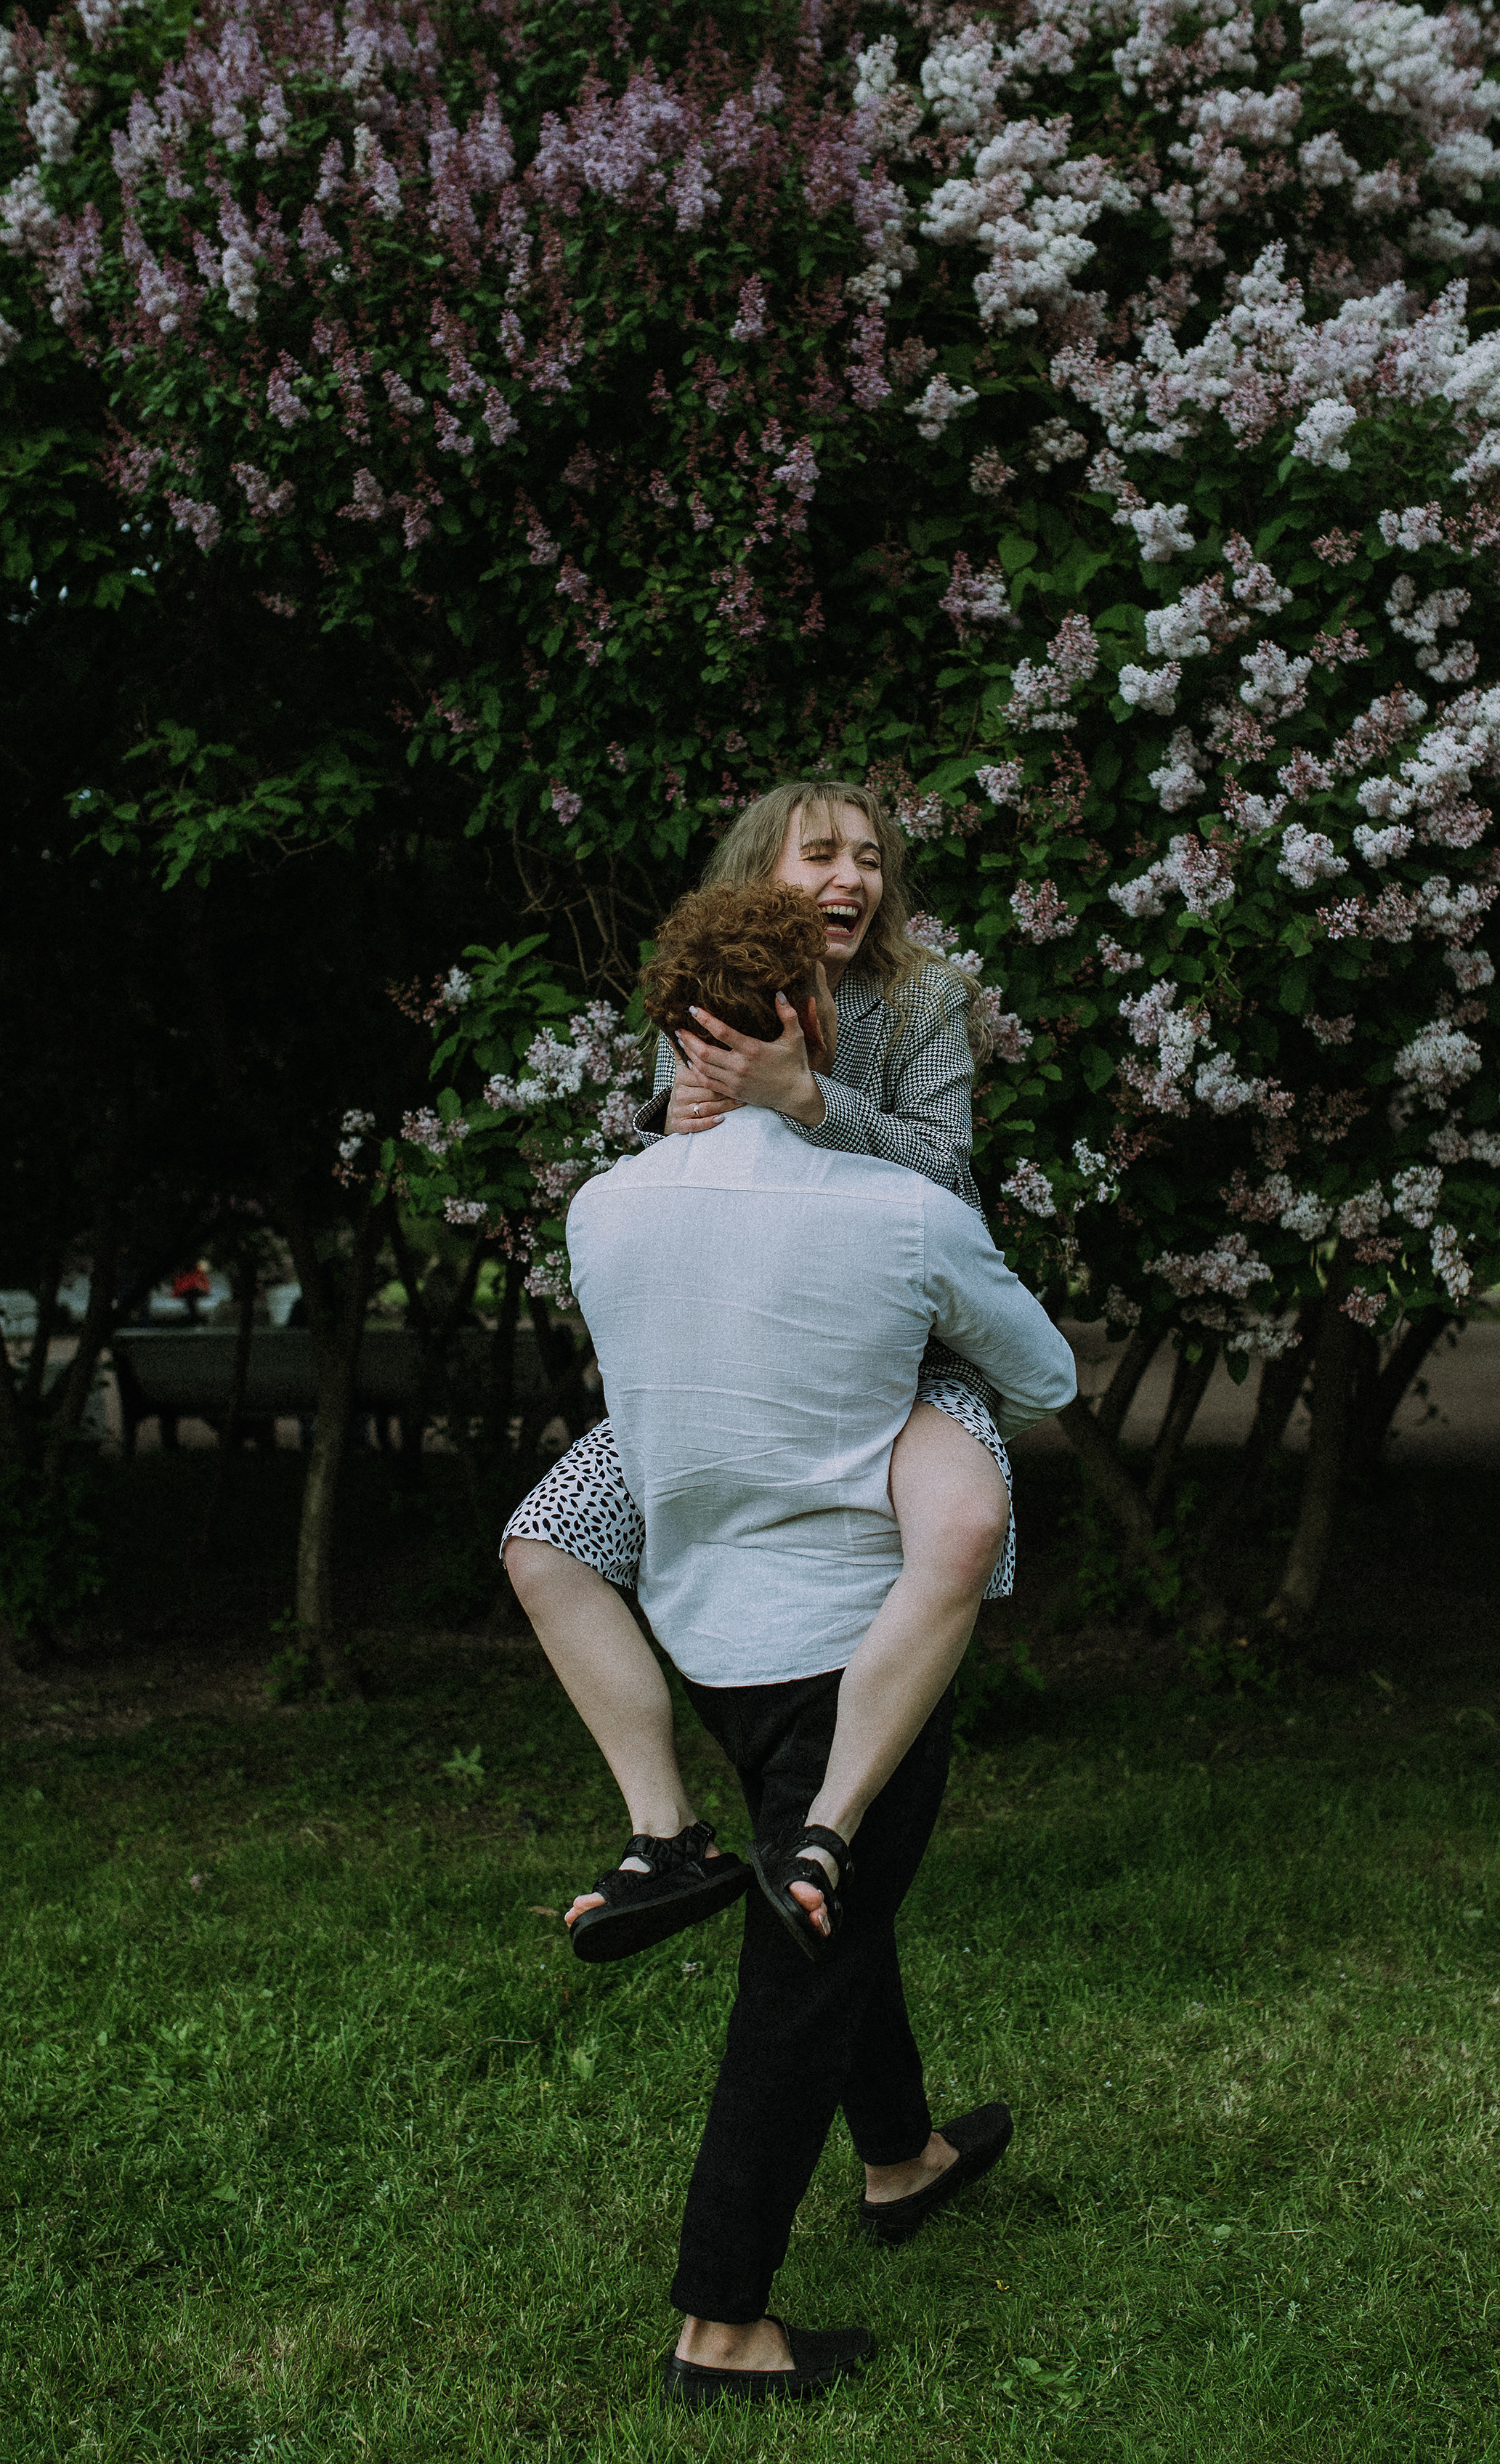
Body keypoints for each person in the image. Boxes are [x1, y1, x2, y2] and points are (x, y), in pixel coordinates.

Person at [556, 878, 1078, 2402]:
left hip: (703, 1641)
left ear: (677, 1033)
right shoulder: (901, 1211)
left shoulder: (602, 1209)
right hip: (857, 1645)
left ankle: (904, 2153)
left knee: (827, 1884)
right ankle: (721, 2319)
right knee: (806, 1963)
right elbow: (1039, 1372)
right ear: (814, 1021)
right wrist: (911, 1403)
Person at [504, 780, 1029, 1954]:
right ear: (762, 876)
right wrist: (683, 1116)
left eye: (871, 859)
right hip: (745, 1351)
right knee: (544, 1544)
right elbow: (673, 1164)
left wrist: (812, 1098)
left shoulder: (924, 998)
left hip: (902, 1367)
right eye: (822, 856)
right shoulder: (705, 988)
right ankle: (663, 1831)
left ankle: (825, 1828)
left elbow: (951, 1184)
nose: (853, 878)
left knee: (966, 1522)